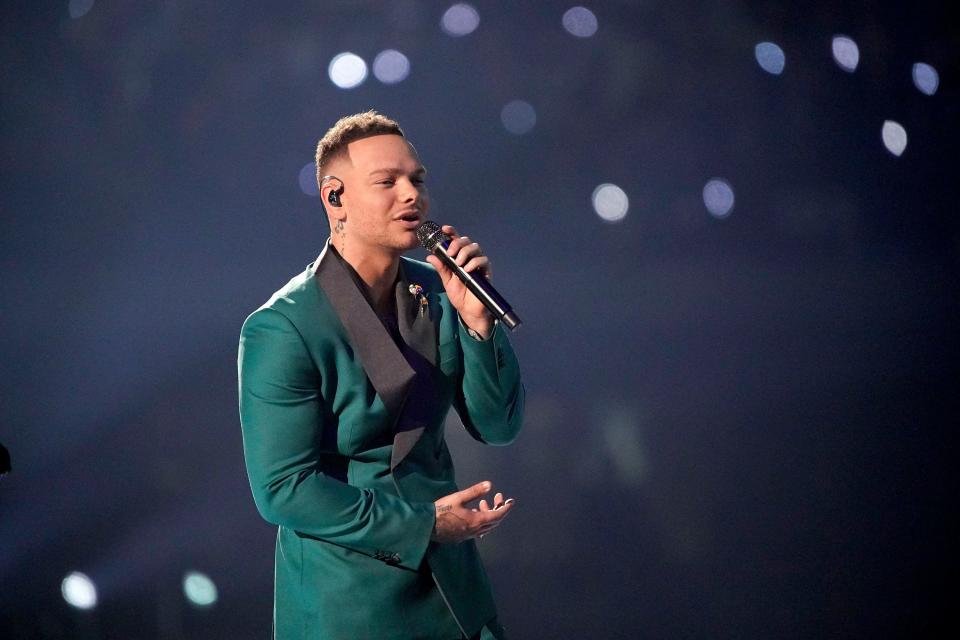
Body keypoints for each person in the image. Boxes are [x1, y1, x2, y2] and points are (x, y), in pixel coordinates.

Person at [238, 111, 525, 640]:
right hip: (352, 599)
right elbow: (283, 489)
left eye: (416, 179)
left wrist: (479, 326)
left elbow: (498, 425)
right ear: (335, 199)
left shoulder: (440, 292)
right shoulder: (283, 327)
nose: (411, 194)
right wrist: (425, 524)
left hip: (454, 592)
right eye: (387, 182)